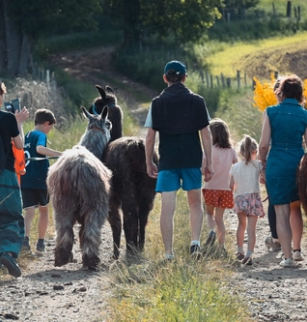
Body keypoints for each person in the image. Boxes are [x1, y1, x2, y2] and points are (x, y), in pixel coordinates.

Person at [145, 60, 213, 260]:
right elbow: (206, 134)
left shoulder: (157, 103)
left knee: (168, 207)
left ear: (165, 78)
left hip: (168, 161)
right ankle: (195, 243)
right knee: (195, 203)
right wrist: (208, 161)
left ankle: (168, 253)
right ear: (185, 78)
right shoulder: (198, 101)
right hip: (192, 159)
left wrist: (149, 161)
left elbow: (150, 137)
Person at [259, 75, 307, 268]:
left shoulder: (270, 112)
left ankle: (287, 257)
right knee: (296, 209)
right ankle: (297, 250)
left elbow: (263, 145)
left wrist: (262, 165)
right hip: (298, 165)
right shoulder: (304, 114)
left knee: (281, 211)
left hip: (277, 163)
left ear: (282, 92)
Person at [21, 109, 62, 255]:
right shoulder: (40, 135)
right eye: (50, 127)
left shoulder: (26, 135)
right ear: (46, 123)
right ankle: (40, 243)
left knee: (29, 211)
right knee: (44, 210)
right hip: (39, 179)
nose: (49, 130)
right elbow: (40, 149)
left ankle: (25, 240)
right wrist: (60, 154)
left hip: (25, 179)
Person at [0, 80, 29, 277]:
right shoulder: (8, 118)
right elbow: (19, 145)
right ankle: (7, 252)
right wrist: (18, 123)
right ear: (1, 96)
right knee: (11, 218)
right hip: (6, 177)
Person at [202, 118, 238, 250]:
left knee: (209, 214)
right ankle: (221, 246)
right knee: (220, 218)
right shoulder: (231, 151)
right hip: (226, 189)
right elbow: (236, 167)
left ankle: (211, 231)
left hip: (211, 187)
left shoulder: (209, 150)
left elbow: (202, 170)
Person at [230, 135, 265, 265]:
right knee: (251, 229)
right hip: (253, 198)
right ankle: (249, 254)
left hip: (240, 198)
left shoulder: (235, 167)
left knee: (241, 225)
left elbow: (231, 186)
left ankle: (239, 250)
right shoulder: (258, 165)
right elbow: (264, 178)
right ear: (255, 152)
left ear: (240, 152)